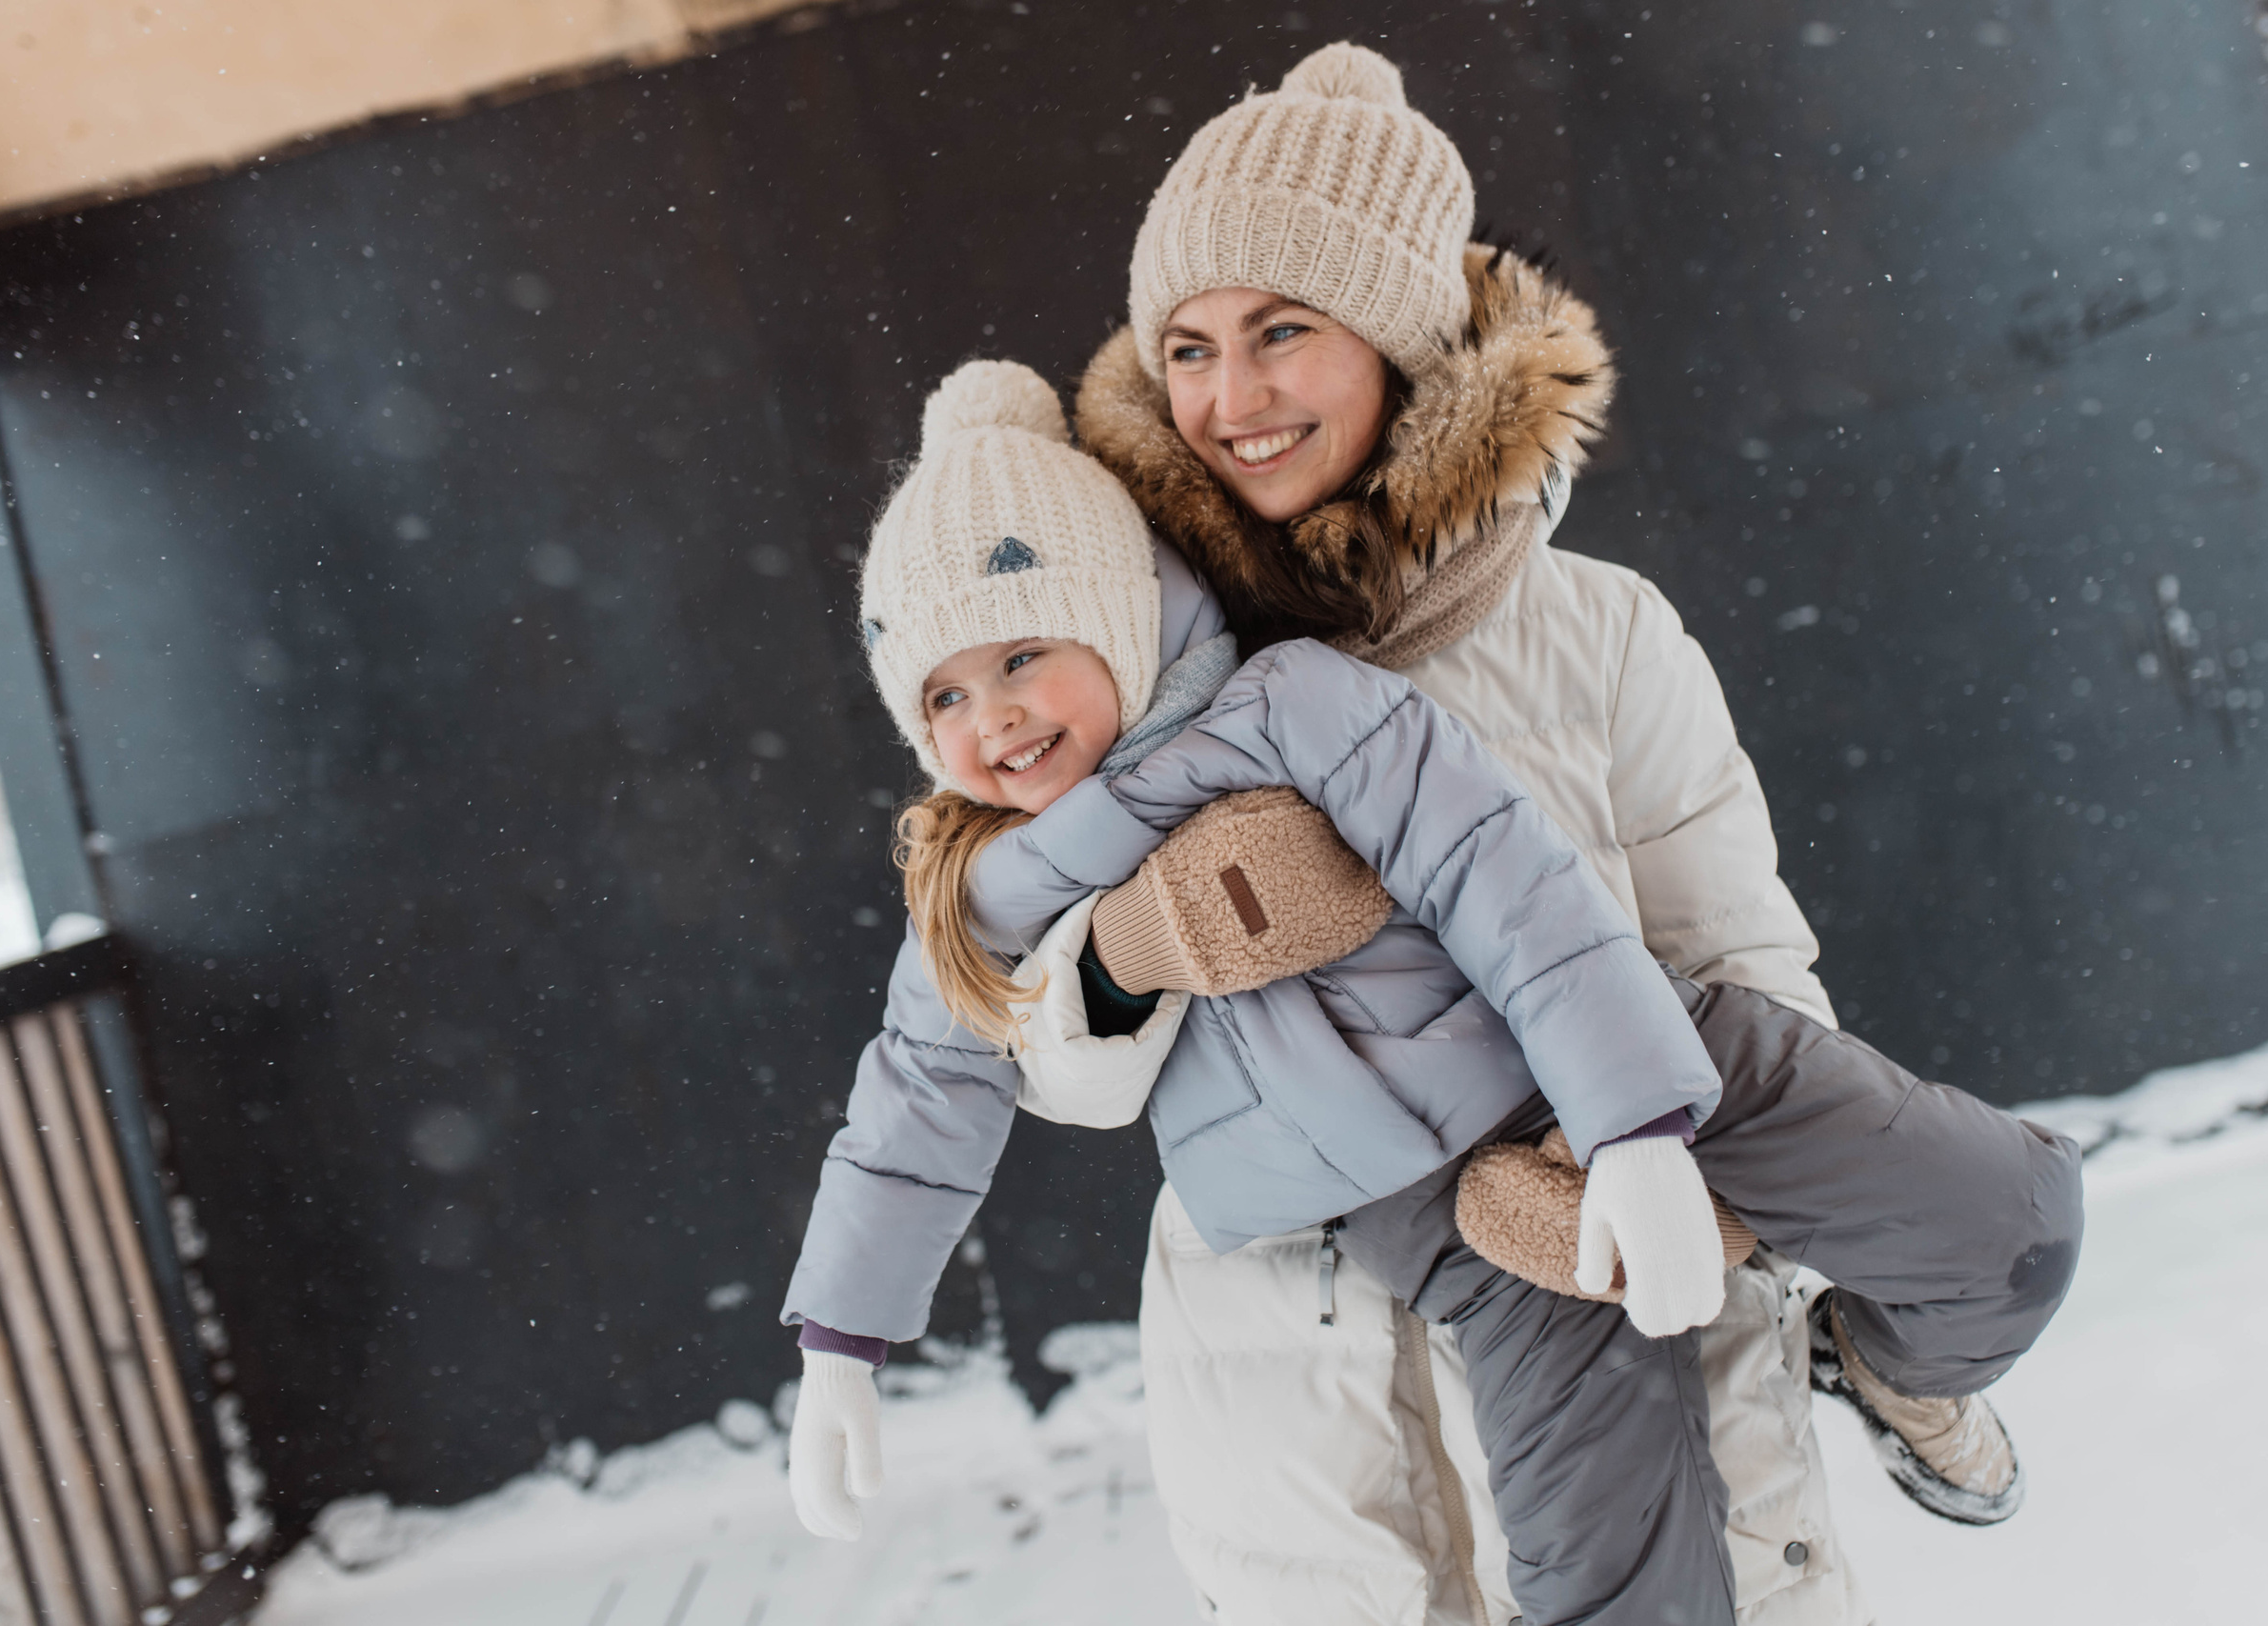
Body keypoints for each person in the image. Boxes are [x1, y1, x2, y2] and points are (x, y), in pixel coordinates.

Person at [778, 358, 2083, 1626]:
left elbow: (1499, 872)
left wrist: (1630, 1123)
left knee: (2014, 1219)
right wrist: (843, 1339)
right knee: (1619, 1566)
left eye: (1021, 654)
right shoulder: (990, 890)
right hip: (1431, 1209)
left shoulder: (1292, 702)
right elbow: (914, 1100)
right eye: (941, 691)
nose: (989, 716)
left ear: (1118, 608)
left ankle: (1870, 1352)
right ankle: (1550, 1241)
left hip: (1610, 1043)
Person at [1057, 40, 2080, 1623]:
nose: (1230, 399)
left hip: (1623, 1260)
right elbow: (1046, 1060)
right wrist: (1129, 951)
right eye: (1187, 346)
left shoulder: (1598, 631)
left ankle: (1883, 1366)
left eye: (1284, 333)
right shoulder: (1111, 670)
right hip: (1311, 1379)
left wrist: (1714, 1189)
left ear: (1399, 344)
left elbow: (1736, 955)